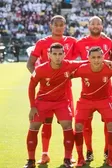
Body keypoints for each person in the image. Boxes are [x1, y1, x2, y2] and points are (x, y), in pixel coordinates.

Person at [24, 43, 85, 168]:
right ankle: (31, 161)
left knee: (67, 125)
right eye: (55, 54)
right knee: (34, 126)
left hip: (61, 102)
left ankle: (67, 159)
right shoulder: (40, 69)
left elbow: (86, 62)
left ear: (63, 55)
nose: (57, 57)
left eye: (60, 54)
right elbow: (31, 87)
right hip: (42, 101)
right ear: (49, 55)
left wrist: (105, 60)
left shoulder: (68, 65)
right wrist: (32, 106)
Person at [26, 15, 77, 165]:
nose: (59, 27)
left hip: (65, 90)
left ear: (65, 26)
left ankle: (69, 156)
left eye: (62, 25)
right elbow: (30, 64)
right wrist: (44, 78)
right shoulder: (43, 42)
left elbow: (84, 59)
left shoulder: (72, 42)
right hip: (46, 91)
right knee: (45, 122)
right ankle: (44, 154)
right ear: (50, 26)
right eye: (56, 24)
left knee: (67, 123)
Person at [74, 16, 112, 162]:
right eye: (93, 23)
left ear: (102, 26)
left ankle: (107, 150)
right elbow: (72, 61)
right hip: (87, 89)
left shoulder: (108, 41)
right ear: (88, 26)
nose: (96, 26)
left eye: (98, 23)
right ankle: (89, 149)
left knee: (108, 122)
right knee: (85, 123)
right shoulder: (80, 43)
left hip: (106, 90)